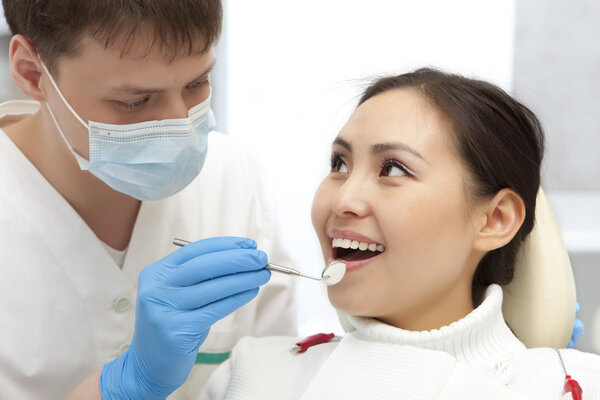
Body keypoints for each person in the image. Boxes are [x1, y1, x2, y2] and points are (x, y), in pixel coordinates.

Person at [199, 69, 600, 399]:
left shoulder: (569, 386)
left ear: (494, 219)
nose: (344, 200)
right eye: (340, 163)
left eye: (392, 169)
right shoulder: (253, 376)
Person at [0, 1, 296, 399]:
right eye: (135, 101)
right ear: (32, 73)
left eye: (197, 84)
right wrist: (122, 388)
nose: (179, 129)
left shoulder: (232, 175)